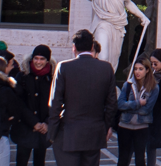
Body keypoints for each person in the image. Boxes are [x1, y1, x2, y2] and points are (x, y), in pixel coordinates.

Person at [47, 29, 118, 166]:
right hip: (94, 132)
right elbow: (112, 103)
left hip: (68, 132)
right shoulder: (106, 68)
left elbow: (55, 103)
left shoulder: (64, 67)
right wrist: (106, 126)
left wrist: (52, 132)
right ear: (92, 47)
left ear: (74, 47)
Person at [12, 46, 55, 166]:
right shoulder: (22, 76)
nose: (38, 62)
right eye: (36, 58)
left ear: (47, 61)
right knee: (21, 161)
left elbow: (56, 101)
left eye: (42, 59)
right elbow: (18, 102)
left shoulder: (52, 77)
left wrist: (47, 122)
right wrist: (33, 122)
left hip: (43, 129)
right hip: (25, 127)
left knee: (40, 161)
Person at [117, 57, 159, 166]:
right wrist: (138, 103)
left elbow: (147, 109)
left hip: (142, 126)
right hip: (125, 125)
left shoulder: (154, 87)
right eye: (135, 69)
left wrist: (128, 108)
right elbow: (120, 104)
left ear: (147, 70)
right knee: (123, 159)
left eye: (140, 69)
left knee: (140, 159)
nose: (137, 72)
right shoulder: (128, 84)